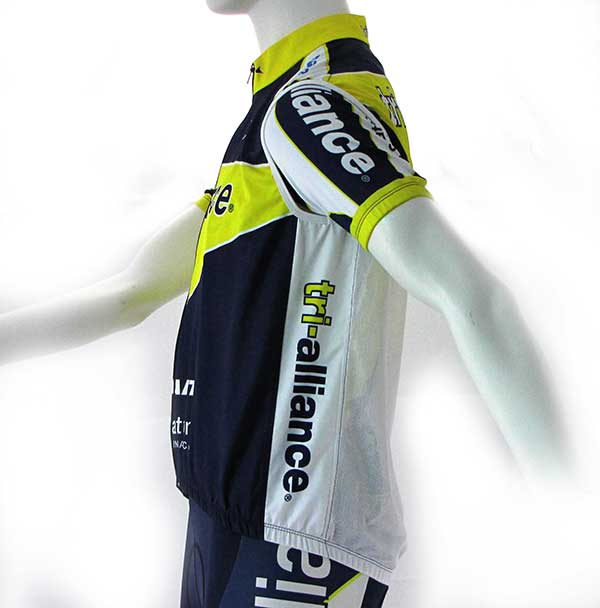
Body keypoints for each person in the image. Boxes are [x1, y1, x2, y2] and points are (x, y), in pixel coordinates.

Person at [0, 0, 574, 606]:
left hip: (293, 537)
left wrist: (574, 520)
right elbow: (131, 293)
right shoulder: (281, 111)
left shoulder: (309, 106)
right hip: (229, 515)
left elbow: (473, 296)